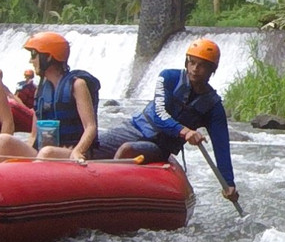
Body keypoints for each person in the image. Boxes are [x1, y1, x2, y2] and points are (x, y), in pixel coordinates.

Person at [95, 38, 240, 204]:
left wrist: (228, 182)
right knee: (91, 146)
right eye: (192, 62)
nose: (195, 69)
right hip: (135, 128)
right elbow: (159, 114)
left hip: (159, 146)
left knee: (127, 150)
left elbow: (221, 146)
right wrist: (185, 131)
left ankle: (108, 197)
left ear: (211, 69)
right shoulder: (168, 77)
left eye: (202, 65)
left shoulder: (213, 106)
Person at [0, 31, 100, 161]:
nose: (31, 60)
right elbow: (33, 135)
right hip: (44, 153)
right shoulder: (40, 91)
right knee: (4, 140)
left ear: (48, 57)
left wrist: (78, 151)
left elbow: (90, 127)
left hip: (72, 152)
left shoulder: (77, 85)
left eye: (34, 55)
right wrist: (24, 158)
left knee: (47, 152)